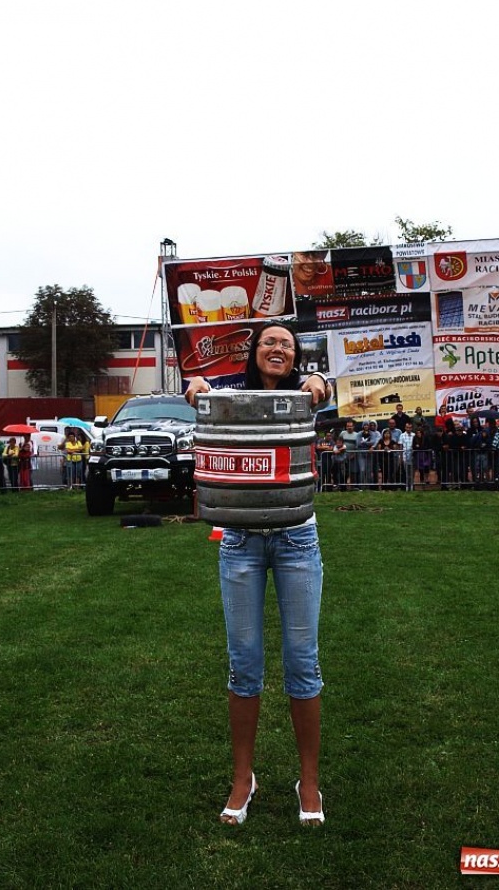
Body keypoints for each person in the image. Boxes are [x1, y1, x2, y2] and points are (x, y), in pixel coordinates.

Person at [184, 321, 331, 827]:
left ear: (295, 357)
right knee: (244, 662)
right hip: (240, 541)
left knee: (302, 661)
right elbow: (198, 391)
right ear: (254, 351)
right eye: (269, 342)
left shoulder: (306, 389)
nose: (278, 349)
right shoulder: (230, 390)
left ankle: (307, 780)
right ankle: (243, 776)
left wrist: (318, 384)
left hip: (297, 538)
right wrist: (197, 387)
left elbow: (322, 389)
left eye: (286, 345)